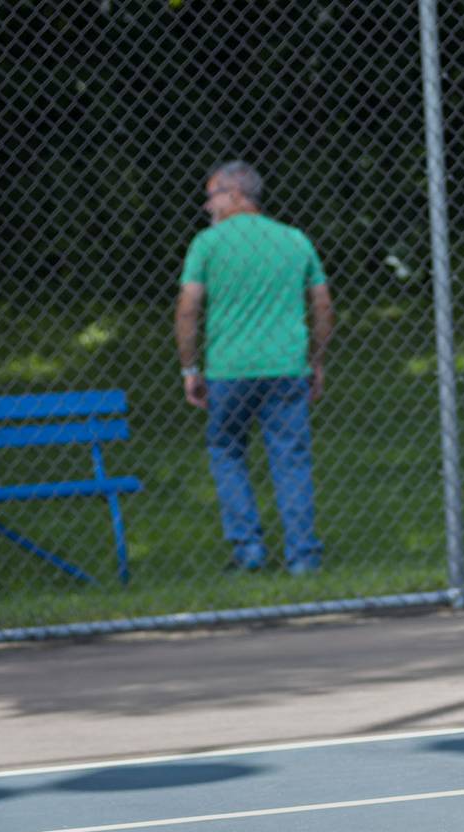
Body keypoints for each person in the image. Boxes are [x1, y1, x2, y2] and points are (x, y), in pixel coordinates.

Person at [174, 161, 334, 575]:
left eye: (213, 195)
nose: (208, 205)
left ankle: (248, 550)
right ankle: (302, 556)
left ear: (237, 195)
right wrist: (316, 361)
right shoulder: (294, 240)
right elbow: (322, 304)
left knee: (226, 451)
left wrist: (190, 368)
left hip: (229, 371)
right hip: (286, 367)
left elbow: (188, 307)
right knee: (291, 460)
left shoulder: (207, 244)